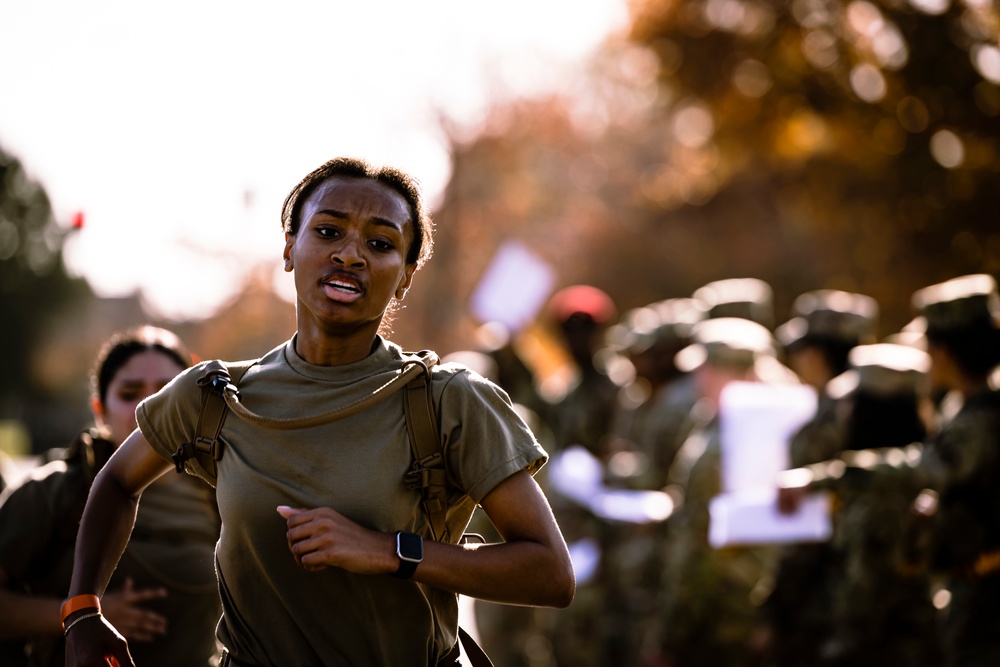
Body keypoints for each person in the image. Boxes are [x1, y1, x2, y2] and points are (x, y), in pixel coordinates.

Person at [63, 157, 575, 667]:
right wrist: (83, 609)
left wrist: (391, 551)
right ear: (290, 249)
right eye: (328, 231)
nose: (350, 255)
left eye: (380, 243)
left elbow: (550, 573)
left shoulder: (448, 401)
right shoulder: (216, 394)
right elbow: (115, 482)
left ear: (404, 278)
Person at [778, 273, 1000, 667]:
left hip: (984, 596)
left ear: (944, 351)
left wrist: (826, 477)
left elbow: (924, 468)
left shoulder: (984, 418)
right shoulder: (963, 408)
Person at [0, 326, 221, 667]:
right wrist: (79, 612)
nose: (149, 408)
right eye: (130, 393)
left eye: (166, 392)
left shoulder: (220, 491)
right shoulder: (54, 492)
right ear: (100, 409)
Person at [766, 289, 878, 667]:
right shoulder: (887, 401)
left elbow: (802, 533)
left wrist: (775, 603)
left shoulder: (827, 418)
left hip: (826, 600)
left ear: (815, 353)